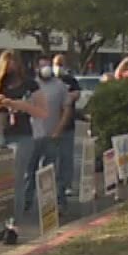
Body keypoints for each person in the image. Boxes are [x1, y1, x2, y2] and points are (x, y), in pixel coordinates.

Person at [0, 58, 66, 221]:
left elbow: (43, 112)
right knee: (1, 182)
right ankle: (3, 221)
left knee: (20, 176)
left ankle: (14, 221)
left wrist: (21, 106)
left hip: (27, 134)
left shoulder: (33, 86)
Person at [0, 52, 34, 244]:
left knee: (16, 180)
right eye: (7, 63)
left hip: (21, 134)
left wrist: (18, 104)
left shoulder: (29, 84)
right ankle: (4, 224)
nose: (10, 67)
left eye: (14, 62)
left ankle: (13, 225)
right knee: (1, 181)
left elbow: (38, 109)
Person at [50, 53, 82, 202]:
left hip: (67, 126)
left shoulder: (70, 81)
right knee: (50, 158)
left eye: (61, 64)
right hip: (49, 126)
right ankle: (51, 187)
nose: (58, 67)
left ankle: (66, 185)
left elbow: (75, 95)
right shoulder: (47, 80)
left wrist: (65, 96)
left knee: (66, 157)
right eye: (56, 64)